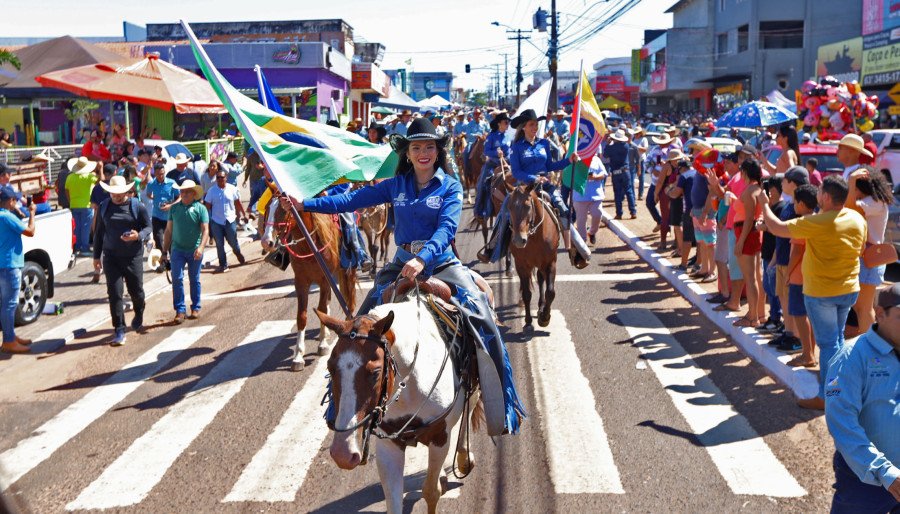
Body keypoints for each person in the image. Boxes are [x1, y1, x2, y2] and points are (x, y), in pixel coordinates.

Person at [281, 117, 526, 435]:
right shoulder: (395, 185)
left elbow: (446, 229)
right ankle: (338, 403)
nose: (423, 153)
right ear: (407, 153)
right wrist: (305, 204)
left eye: (428, 147)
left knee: (483, 315)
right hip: (401, 262)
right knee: (358, 327)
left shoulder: (449, 187)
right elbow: (350, 200)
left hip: (442, 264)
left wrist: (423, 259)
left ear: (437, 152)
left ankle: (500, 405)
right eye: (416, 147)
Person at [761, 175, 866, 410]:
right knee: (837, 341)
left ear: (826, 197)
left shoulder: (817, 221)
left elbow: (777, 228)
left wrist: (763, 204)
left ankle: (827, 396)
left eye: (819, 192)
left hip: (823, 294)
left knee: (829, 345)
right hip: (848, 290)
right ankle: (839, 390)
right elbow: (860, 249)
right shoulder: (856, 218)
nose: (817, 194)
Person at [824, 284, 900, 513]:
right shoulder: (850, 357)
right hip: (866, 479)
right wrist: (883, 471)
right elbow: (842, 422)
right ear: (879, 313)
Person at [477, 109, 581, 266]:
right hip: (524, 187)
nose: (535, 127)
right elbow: (517, 171)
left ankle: (572, 249)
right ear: (524, 127)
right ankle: (493, 248)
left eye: (536, 124)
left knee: (564, 210)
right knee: (505, 211)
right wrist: (534, 177)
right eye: (531, 124)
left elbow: (550, 165)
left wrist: (569, 160)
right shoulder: (516, 147)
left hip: (545, 185)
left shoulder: (544, 143)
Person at [92, 176, 151, 346]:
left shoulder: (137, 206)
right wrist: (96, 256)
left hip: (133, 256)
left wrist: (138, 236)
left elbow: (148, 227)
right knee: (115, 293)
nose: (116, 196)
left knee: (136, 291)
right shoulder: (104, 207)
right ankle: (119, 329)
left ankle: (139, 311)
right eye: (113, 193)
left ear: (126, 191)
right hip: (111, 257)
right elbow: (99, 233)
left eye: (119, 193)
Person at [845, 167, 892, 337]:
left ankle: (873, 349)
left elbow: (849, 207)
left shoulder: (875, 202)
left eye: (856, 188)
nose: (853, 191)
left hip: (869, 259)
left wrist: (851, 180)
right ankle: (872, 348)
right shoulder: (874, 200)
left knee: (863, 309)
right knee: (862, 308)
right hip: (868, 258)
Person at [164, 180, 209, 324]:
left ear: (194, 194)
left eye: (187, 191)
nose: (184, 194)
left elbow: (205, 230)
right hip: (177, 249)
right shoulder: (174, 209)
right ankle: (180, 310)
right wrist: (164, 251)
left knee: (194, 279)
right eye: (182, 191)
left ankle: (195, 307)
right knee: (177, 279)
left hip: (194, 250)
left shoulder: (200, 209)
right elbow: (168, 230)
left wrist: (201, 247)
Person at [783, 184, 818, 364]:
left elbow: (796, 251)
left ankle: (807, 354)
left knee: (799, 314)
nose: (793, 205)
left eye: (795, 201)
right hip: (811, 276)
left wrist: (788, 273)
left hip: (798, 275)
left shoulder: (803, 223)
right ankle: (810, 351)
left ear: (802, 204)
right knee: (809, 316)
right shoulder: (818, 220)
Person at [0, 186, 35, 354]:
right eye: (14, 200)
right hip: (9, 265)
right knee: (9, 304)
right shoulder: (6, 216)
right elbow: (30, 232)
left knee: (7, 303)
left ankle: (10, 336)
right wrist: (32, 213)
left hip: (3, 264)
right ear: (11, 201)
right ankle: (8, 341)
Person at [732, 159, 765, 328]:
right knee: (755, 277)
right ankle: (757, 314)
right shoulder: (758, 189)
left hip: (747, 233)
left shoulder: (751, 190)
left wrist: (740, 242)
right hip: (751, 233)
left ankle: (753, 317)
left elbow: (749, 218)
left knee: (750, 278)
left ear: (745, 172)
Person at [204, 169, 247, 273]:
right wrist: (204, 220)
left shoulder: (232, 189)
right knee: (219, 244)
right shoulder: (211, 191)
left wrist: (244, 214)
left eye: (221, 177)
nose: (219, 179)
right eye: (217, 178)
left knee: (233, 242)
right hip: (216, 221)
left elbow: (238, 203)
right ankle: (223, 264)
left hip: (230, 220)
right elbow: (207, 206)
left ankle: (237, 253)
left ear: (226, 178)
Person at [475, 112, 510, 220]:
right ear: (499, 124)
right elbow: (486, 151)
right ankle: (479, 210)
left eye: (508, 122)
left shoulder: (508, 136)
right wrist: (496, 153)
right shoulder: (492, 136)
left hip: (506, 164)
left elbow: (510, 151)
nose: (508, 124)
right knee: (483, 182)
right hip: (492, 165)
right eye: (506, 122)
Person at [145, 162, 179, 270]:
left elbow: (179, 198)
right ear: (154, 173)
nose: (161, 176)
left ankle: (173, 262)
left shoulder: (171, 183)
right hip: (157, 216)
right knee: (158, 239)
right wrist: (154, 199)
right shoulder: (151, 184)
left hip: (170, 216)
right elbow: (148, 194)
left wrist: (170, 205)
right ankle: (162, 261)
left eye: (163, 174)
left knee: (171, 239)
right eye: (159, 174)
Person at [65, 157, 99, 256]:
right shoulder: (90, 177)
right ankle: (84, 248)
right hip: (87, 205)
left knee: (77, 227)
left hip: (74, 204)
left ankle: (77, 246)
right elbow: (100, 180)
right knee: (85, 228)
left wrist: (70, 201)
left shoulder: (70, 177)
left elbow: (66, 190)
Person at [573, 155, 608, 245]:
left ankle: (592, 232)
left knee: (597, 214)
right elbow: (570, 175)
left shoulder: (596, 159)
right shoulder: (575, 159)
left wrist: (595, 177)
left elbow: (603, 173)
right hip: (580, 195)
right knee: (581, 220)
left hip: (595, 195)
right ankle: (582, 242)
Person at [605, 129, 636, 220]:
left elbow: (605, 155)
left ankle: (619, 213)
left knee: (617, 193)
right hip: (625, 171)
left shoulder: (611, 147)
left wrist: (608, 143)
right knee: (629, 191)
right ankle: (633, 212)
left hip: (616, 172)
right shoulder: (626, 146)